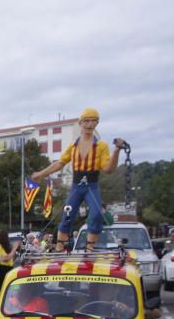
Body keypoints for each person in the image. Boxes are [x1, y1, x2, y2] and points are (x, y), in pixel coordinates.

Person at [31, 108, 126, 251]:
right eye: (86, 121)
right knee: (67, 213)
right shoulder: (73, 146)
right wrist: (41, 173)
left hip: (92, 185)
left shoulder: (101, 146)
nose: (89, 125)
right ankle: (60, 247)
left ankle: (90, 247)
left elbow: (108, 169)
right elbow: (60, 163)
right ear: (80, 123)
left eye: (93, 121)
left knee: (96, 213)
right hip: (77, 185)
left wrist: (116, 151)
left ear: (97, 123)